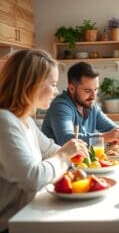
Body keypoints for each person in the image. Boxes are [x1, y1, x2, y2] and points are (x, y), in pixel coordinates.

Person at [0, 49, 88, 232]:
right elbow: (33, 178)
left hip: (29, 216)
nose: (56, 91)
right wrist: (65, 154)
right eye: (54, 84)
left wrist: (75, 156)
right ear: (32, 85)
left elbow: (51, 150)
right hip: (11, 225)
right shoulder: (4, 121)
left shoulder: (25, 122)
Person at [42, 62, 119, 146]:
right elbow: (67, 140)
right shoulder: (60, 107)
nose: (93, 96)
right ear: (72, 88)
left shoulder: (90, 105)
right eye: (88, 91)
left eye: (95, 89)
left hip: (81, 159)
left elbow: (113, 129)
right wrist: (104, 137)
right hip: (59, 160)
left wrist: (118, 134)